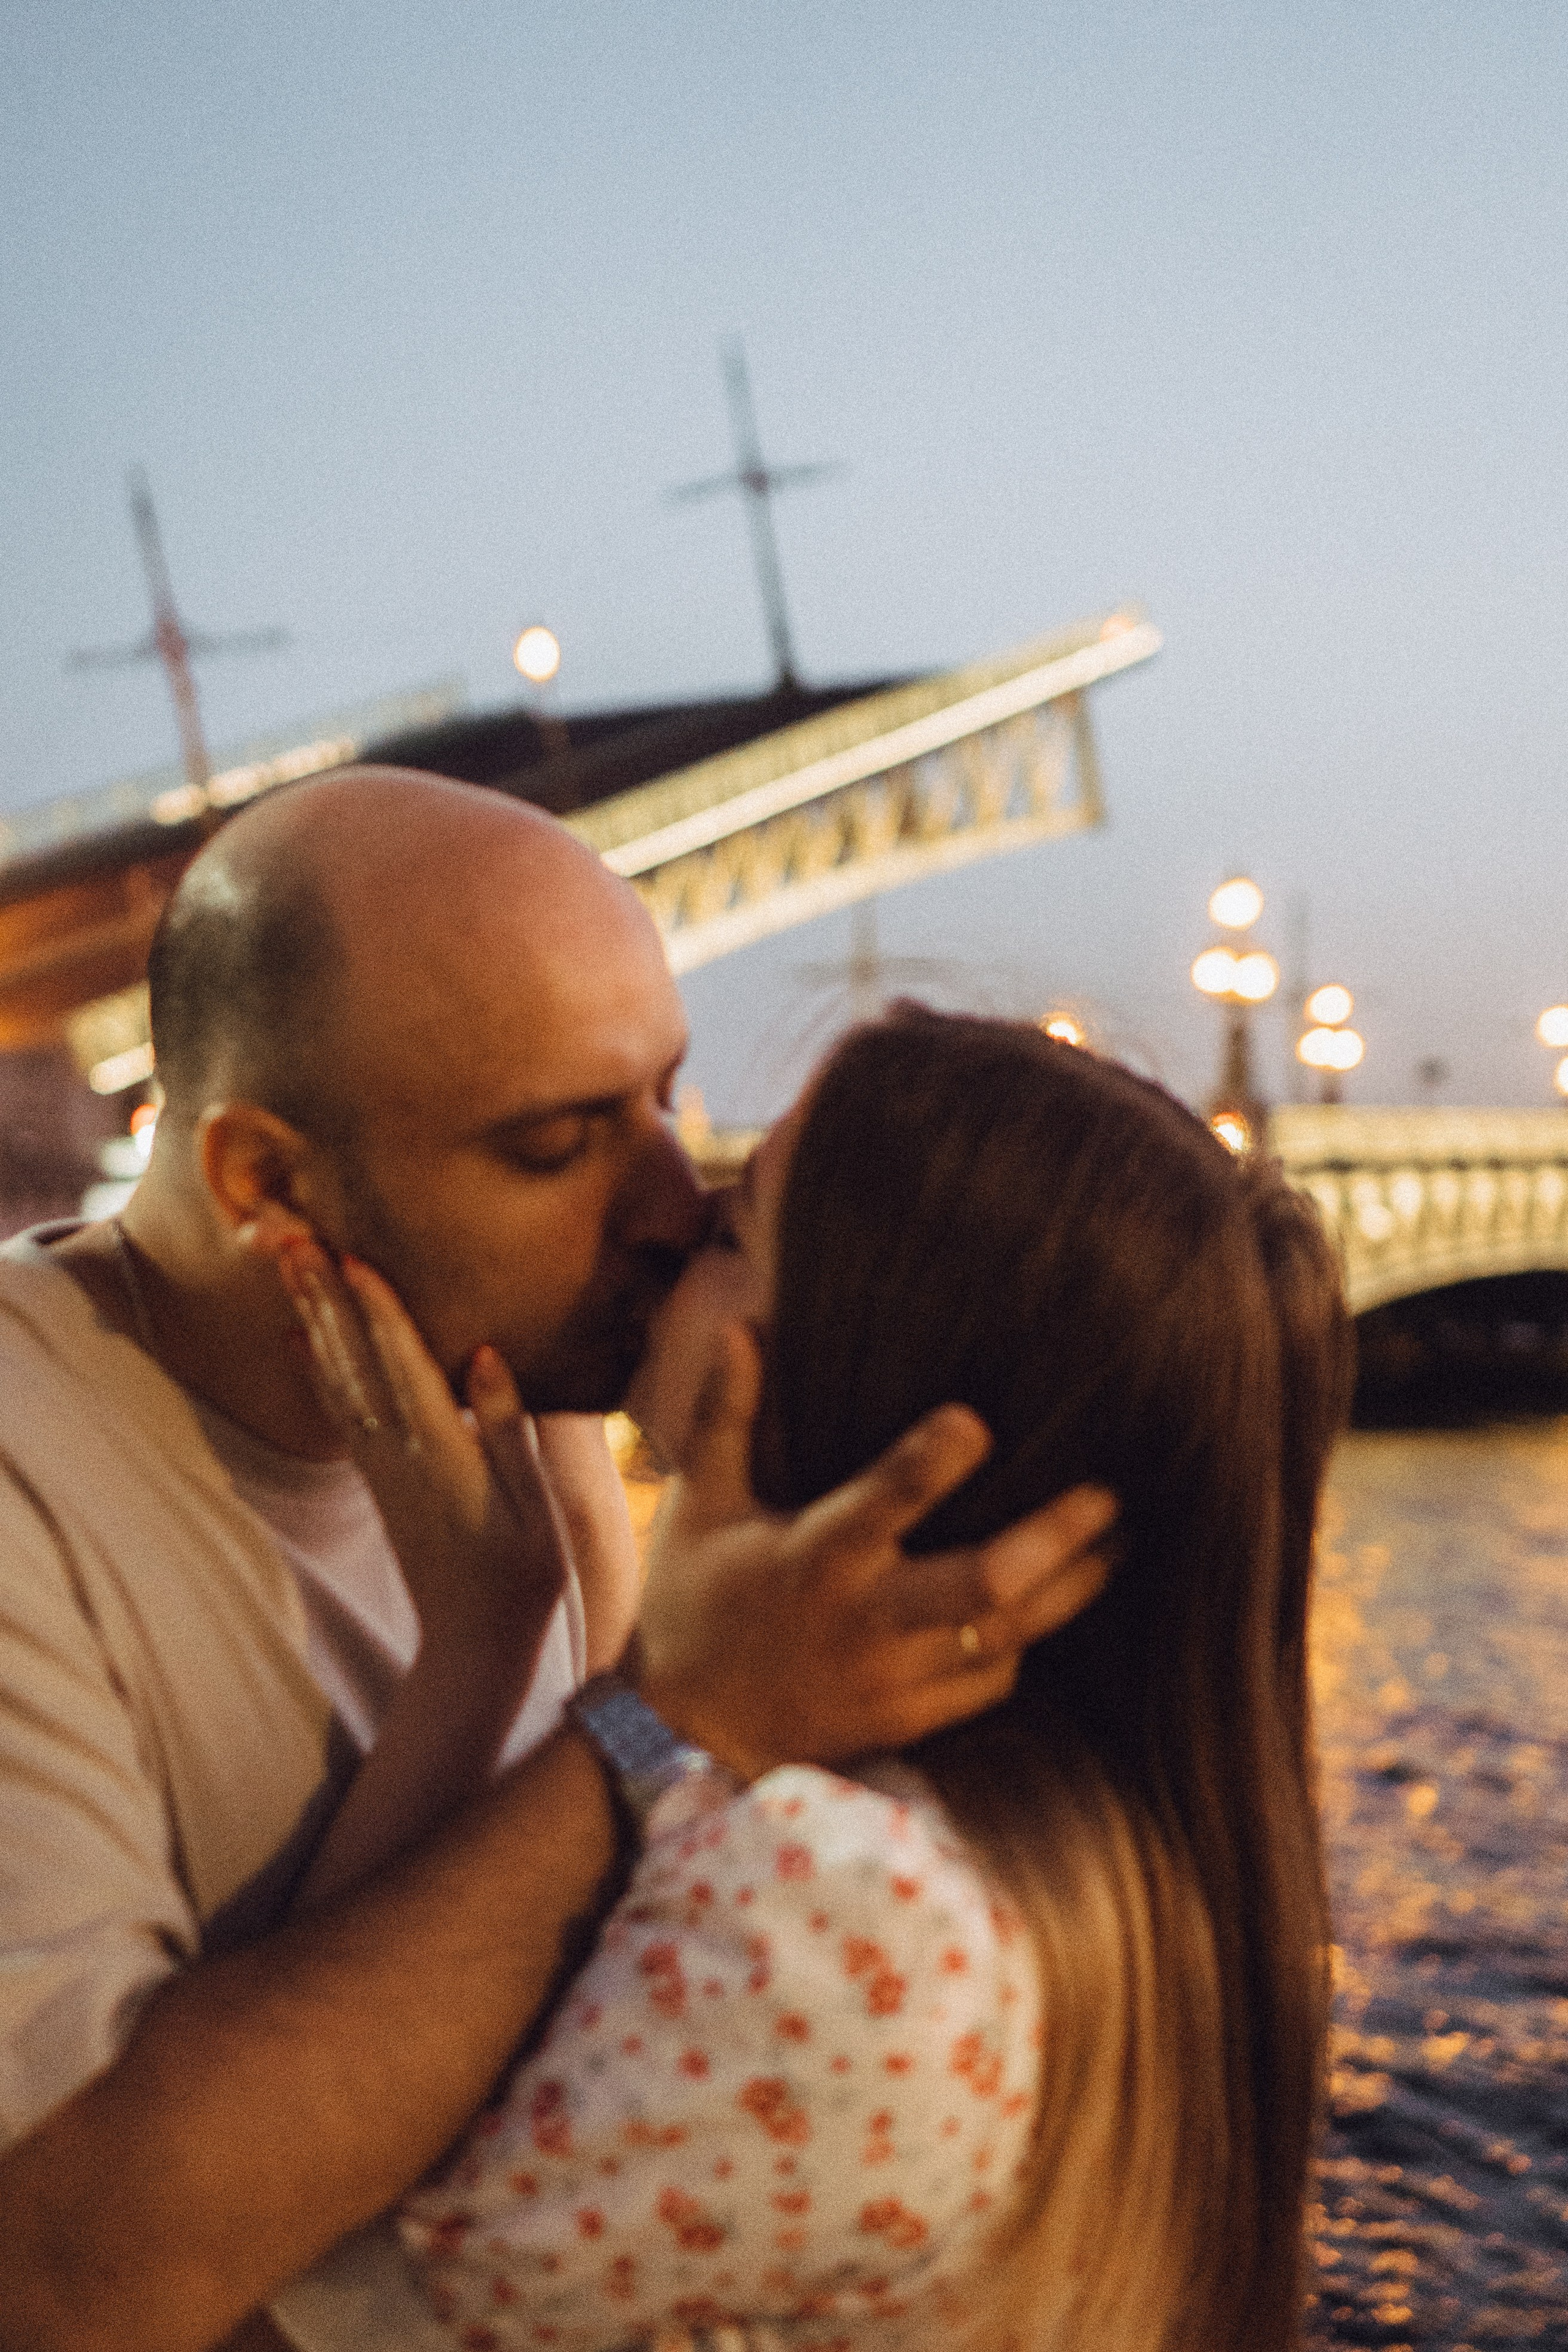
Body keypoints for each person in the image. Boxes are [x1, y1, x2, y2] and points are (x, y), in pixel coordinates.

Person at [0, 771, 1114, 2352]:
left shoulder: (534, 1405)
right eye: (558, 1145)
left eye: (664, 1097)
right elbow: (62, 2276)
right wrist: (665, 1717)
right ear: (268, 1181)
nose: (675, 1206)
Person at [273, 1002, 1354, 2352]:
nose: (671, 1222)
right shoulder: (1086, 1856)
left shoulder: (845, 1909)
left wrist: (528, 1665)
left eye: (734, 1230)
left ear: (856, 1373)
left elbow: (235, 2270)